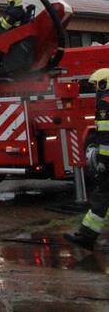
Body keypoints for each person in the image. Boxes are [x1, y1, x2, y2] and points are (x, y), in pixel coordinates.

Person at [66, 68, 109, 249]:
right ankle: (86, 235)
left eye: (95, 84)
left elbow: (106, 135)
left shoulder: (105, 101)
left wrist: (103, 161)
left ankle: (86, 236)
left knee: (102, 196)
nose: (94, 89)